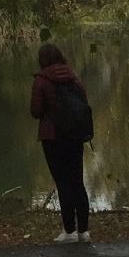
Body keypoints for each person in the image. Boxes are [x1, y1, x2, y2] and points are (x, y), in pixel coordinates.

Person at [31, 41, 91, 243]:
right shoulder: (74, 77)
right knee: (77, 182)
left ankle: (69, 231)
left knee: (63, 182)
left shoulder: (41, 80)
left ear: (42, 60)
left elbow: (35, 111)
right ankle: (84, 231)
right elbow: (83, 104)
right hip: (75, 135)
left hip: (53, 136)